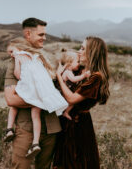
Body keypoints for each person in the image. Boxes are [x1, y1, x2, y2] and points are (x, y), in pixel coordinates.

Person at [4, 18, 62, 169]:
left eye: (45, 34)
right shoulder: (16, 61)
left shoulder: (45, 59)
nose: (45, 38)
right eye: (41, 34)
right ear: (28, 34)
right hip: (26, 130)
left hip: (51, 128)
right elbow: (11, 99)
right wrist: (48, 100)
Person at [53, 36, 110, 169]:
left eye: (83, 48)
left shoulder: (96, 77)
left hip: (79, 124)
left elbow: (72, 99)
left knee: (77, 162)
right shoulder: (79, 70)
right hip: (66, 122)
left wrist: (59, 77)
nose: (79, 51)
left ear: (92, 52)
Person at [59, 50, 90, 120]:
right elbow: (74, 79)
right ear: (69, 63)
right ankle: (66, 112)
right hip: (64, 91)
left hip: (66, 91)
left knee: (72, 103)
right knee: (71, 102)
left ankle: (65, 112)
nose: (79, 64)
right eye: (77, 62)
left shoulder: (70, 71)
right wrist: (83, 76)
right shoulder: (67, 72)